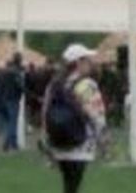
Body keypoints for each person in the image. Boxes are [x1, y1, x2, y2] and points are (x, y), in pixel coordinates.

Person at [44, 44, 107, 193]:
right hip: (80, 141)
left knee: (68, 183)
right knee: (73, 185)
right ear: (78, 63)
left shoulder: (55, 84)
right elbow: (96, 114)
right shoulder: (86, 84)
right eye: (87, 60)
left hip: (58, 140)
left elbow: (45, 110)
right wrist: (103, 137)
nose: (90, 63)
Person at [0, 53, 26, 152]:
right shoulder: (16, 73)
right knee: (12, 122)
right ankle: (7, 143)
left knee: (9, 122)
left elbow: (0, 86)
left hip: (4, 98)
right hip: (13, 99)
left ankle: (13, 143)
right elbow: (20, 86)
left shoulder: (3, 73)